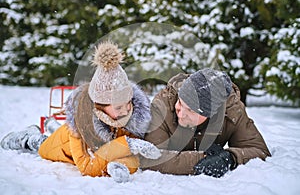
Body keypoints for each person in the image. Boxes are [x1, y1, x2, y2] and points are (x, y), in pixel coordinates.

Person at [1, 41, 161, 182]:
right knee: (43, 146)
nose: (127, 110)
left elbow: (131, 156)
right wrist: (128, 144)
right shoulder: (80, 125)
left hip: (85, 143)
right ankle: (28, 138)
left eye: (128, 103)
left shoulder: (128, 115)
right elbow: (88, 167)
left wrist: (120, 164)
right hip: (61, 148)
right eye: (119, 107)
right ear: (100, 107)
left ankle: (52, 126)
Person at [141, 68, 271, 178]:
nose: (180, 113)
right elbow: (150, 157)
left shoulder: (232, 111)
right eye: (180, 103)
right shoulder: (163, 105)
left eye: (190, 110)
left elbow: (259, 150)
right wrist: (201, 159)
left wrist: (230, 158)